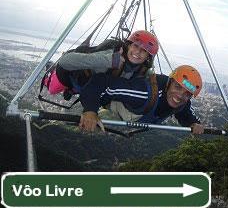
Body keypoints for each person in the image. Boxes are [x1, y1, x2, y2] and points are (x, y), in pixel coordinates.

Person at [77, 65, 206, 135]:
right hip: (121, 106)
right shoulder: (143, 93)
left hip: (142, 114)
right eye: (177, 87)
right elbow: (101, 81)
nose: (180, 95)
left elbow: (185, 112)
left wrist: (193, 123)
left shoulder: (183, 101)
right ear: (168, 83)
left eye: (187, 94)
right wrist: (90, 111)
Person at [44, 30, 159, 97]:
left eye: (144, 51)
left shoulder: (141, 71)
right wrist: (110, 60)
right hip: (71, 74)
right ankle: (50, 67)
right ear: (128, 45)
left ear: (148, 57)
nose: (138, 52)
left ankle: (73, 90)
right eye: (135, 46)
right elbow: (65, 61)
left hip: (88, 86)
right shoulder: (111, 55)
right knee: (52, 90)